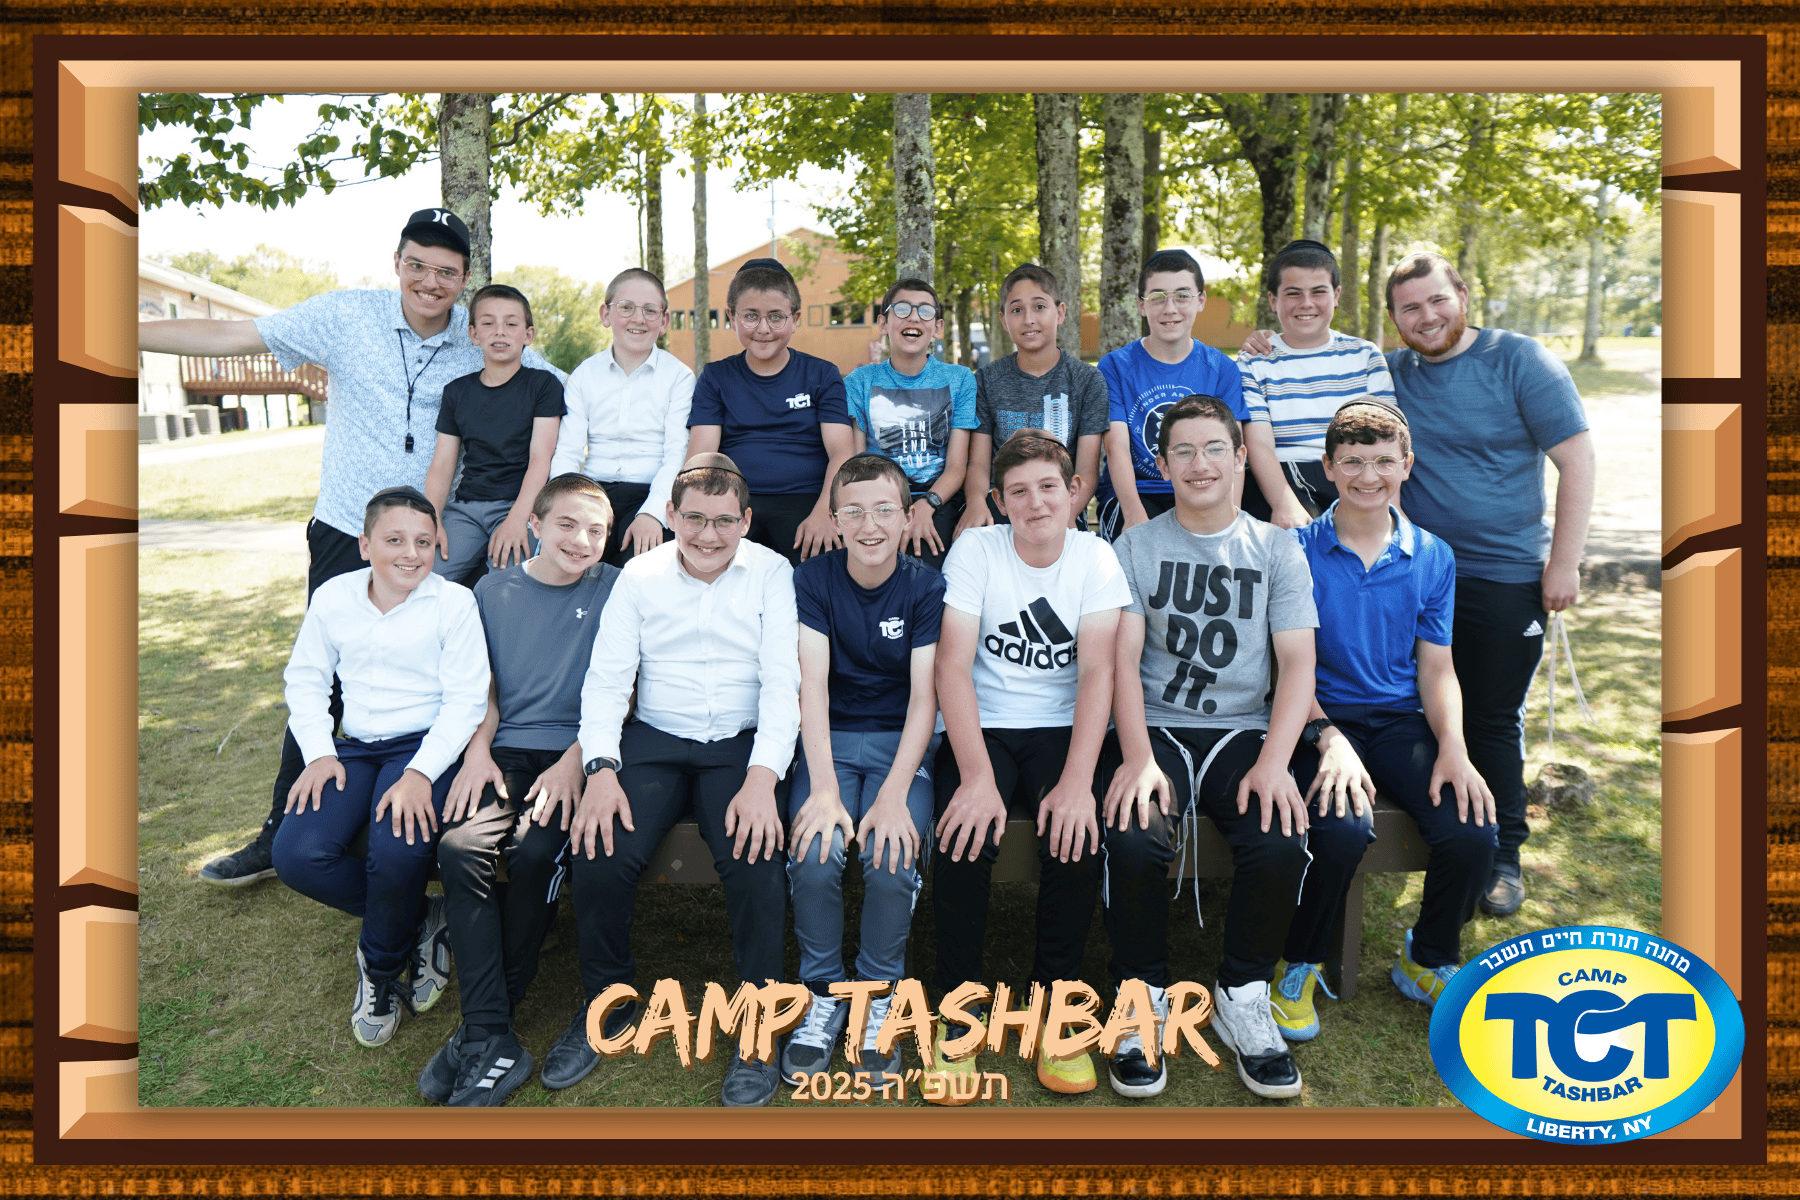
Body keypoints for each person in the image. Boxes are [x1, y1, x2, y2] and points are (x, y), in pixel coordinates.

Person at [138, 207, 562, 888]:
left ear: (463, 278)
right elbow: (229, 332)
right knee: (328, 677)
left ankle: (439, 823)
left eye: (446, 271)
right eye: (417, 265)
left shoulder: (482, 331)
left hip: (437, 533)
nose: (430, 281)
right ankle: (281, 829)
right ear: (397, 262)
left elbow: (561, 396)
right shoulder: (345, 316)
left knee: (455, 670)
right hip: (347, 527)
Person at [1103, 395, 1371, 1100]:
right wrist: (1136, 758)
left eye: (1214, 448)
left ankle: (1241, 992)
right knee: (1133, 834)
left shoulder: (1277, 548)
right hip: (1157, 724)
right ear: (1161, 465)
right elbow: (1122, 662)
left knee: (1280, 834)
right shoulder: (1135, 546)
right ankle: (1140, 995)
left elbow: (1299, 663)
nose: (1199, 463)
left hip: (1242, 728)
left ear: (1241, 457)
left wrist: (1276, 763)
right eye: (1183, 451)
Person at [555, 453, 800, 1108]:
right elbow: (607, 680)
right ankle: (609, 1002)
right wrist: (601, 769)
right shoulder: (640, 576)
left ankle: (760, 1023)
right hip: (656, 737)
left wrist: (763, 777)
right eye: (694, 519)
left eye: (724, 521)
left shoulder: (772, 574)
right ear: (669, 515)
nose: (708, 535)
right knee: (599, 849)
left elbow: (783, 682)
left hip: (741, 742)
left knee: (755, 858)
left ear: (746, 520)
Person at [1383, 251, 1594, 916]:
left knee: (1492, 719)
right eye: (1410, 308)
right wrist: (1266, 343)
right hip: (1417, 577)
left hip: (1506, 573)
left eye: (1436, 300)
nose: (1426, 316)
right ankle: (1441, 838)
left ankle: (1503, 854)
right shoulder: (1390, 373)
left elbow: (1578, 461)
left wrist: (1563, 563)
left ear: (1463, 296)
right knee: (1418, 709)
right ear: (1394, 319)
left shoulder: (1520, 360)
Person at [929, 430, 1128, 1100]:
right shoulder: (976, 550)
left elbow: (1098, 672)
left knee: (1076, 842)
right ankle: (958, 1009)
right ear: (998, 500)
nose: (1035, 502)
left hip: (1061, 727)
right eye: (1018, 491)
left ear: (1074, 491)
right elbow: (952, 667)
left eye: (1048, 487)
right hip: (984, 721)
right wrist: (977, 777)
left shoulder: (1095, 556)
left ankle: (1057, 1006)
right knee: (961, 838)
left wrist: (1076, 783)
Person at [418, 475, 622, 1107]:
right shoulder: (492, 589)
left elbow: (625, 687)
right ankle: (492, 1034)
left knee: (535, 853)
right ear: (534, 524)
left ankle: (482, 1029)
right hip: (503, 751)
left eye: (596, 531)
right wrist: (478, 750)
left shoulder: (617, 588)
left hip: (577, 750)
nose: (581, 540)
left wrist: (575, 762)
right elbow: (481, 686)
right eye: (567, 524)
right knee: (459, 849)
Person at [1292, 401, 1497, 1012]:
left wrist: (1454, 750)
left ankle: (1426, 957)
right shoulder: (1295, 551)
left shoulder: (1433, 556)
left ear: (1407, 465)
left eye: (1384, 461)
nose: (1368, 476)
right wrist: (1326, 735)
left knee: (1472, 830)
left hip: (1397, 721)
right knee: (1341, 829)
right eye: (1353, 462)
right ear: (1328, 467)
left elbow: (1436, 667)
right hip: (1315, 718)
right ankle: (1298, 961)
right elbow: (1285, 667)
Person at [270, 485, 490, 1049]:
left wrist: (420, 773)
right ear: (365, 545)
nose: (410, 553)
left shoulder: (454, 603)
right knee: (297, 855)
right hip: (354, 746)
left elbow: (467, 700)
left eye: (424, 541)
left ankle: (381, 967)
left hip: (424, 746)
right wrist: (319, 752)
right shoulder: (335, 597)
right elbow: (306, 678)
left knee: (398, 851)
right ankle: (422, 918)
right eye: (394, 540)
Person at [781, 453, 946, 1084]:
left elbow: (926, 698)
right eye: (853, 512)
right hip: (827, 742)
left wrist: (896, 794)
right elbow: (813, 689)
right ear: (834, 520)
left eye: (883, 511)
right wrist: (823, 788)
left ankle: (880, 993)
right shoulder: (812, 579)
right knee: (816, 850)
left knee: (890, 852)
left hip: (900, 745)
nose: (869, 525)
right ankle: (822, 993)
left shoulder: (926, 587)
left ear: (907, 518)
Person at [686, 258, 855, 565]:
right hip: (733, 503)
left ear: (795, 318)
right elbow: (701, 459)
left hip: (808, 502)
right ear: (732, 317)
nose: (763, 329)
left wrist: (825, 512)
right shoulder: (716, 377)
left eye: (776, 317)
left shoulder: (822, 375)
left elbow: (842, 452)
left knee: (816, 578)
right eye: (751, 316)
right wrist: (705, 518)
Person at [1096, 248, 1253, 541]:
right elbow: (1116, 447)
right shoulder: (1115, 366)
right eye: (1157, 297)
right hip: (1139, 492)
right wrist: (1133, 515)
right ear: (1141, 305)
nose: (1170, 309)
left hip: (1201, 487)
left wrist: (1230, 518)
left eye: (1182, 296)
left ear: (1201, 300)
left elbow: (1232, 451)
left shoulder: (1222, 369)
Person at [1236, 240, 1396, 526]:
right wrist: (1283, 504)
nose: (1306, 303)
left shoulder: (1365, 356)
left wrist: (1393, 510)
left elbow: (1387, 439)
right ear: (1273, 300)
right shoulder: (1254, 362)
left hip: (1353, 471)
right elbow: (1258, 444)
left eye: (1318, 292)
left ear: (1336, 295)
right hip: (1281, 477)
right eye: (1293, 293)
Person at [549, 268, 695, 567]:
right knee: (574, 564)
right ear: (606, 314)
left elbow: (677, 453)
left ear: (664, 321)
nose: (638, 318)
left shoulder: (679, 377)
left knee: (638, 568)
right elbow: (568, 451)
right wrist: (565, 508)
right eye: (626, 307)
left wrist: (653, 513)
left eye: (650, 310)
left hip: (652, 490)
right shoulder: (584, 375)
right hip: (591, 492)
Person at [422, 284, 565, 586]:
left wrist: (518, 519)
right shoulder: (457, 392)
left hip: (519, 505)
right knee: (426, 579)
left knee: (504, 588)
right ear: (474, 334)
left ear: (528, 335)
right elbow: (443, 463)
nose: (500, 331)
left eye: (511, 324)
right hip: (466, 509)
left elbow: (541, 458)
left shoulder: (543, 385)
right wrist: (431, 519)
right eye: (488, 323)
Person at [954, 264, 1108, 540]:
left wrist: (1068, 516)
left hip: (1061, 503)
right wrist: (976, 502)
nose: (1028, 319)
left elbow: (1087, 470)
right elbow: (978, 463)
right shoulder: (986, 380)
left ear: (1060, 313)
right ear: (1003, 320)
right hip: (1004, 501)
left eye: (1039, 307)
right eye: (1016, 310)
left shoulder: (1087, 380)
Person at [843, 278, 978, 570]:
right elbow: (856, 465)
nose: (914, 317)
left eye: (925, 311)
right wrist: (887, 512)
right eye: (902, 309)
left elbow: (957, 467)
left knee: (930, 567)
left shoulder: (960, 379)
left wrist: (927, 505)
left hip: (937, 498)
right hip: (877, 500)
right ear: (883, 323)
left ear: (937, 328)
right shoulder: (859, 382)